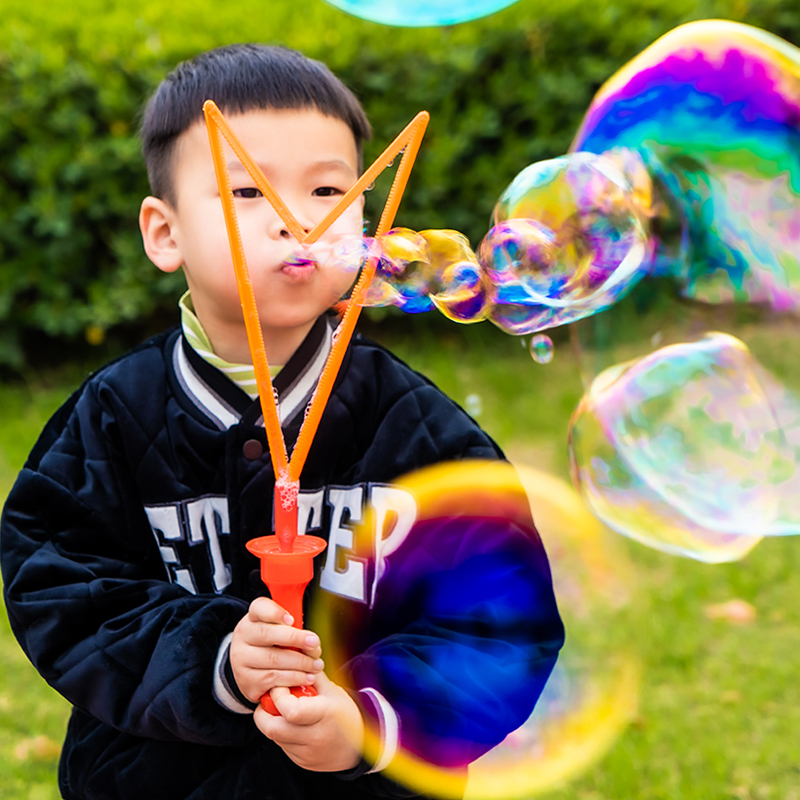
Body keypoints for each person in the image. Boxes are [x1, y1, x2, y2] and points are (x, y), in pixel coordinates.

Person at [0, 44, 564, 799]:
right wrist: (216, 660)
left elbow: (498, 623)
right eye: (248, 191)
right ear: (164, 233)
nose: (298, 219)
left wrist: (369, 720)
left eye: (329, 187)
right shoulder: (111, 418)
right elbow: (61, 587)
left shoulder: (420, 431)